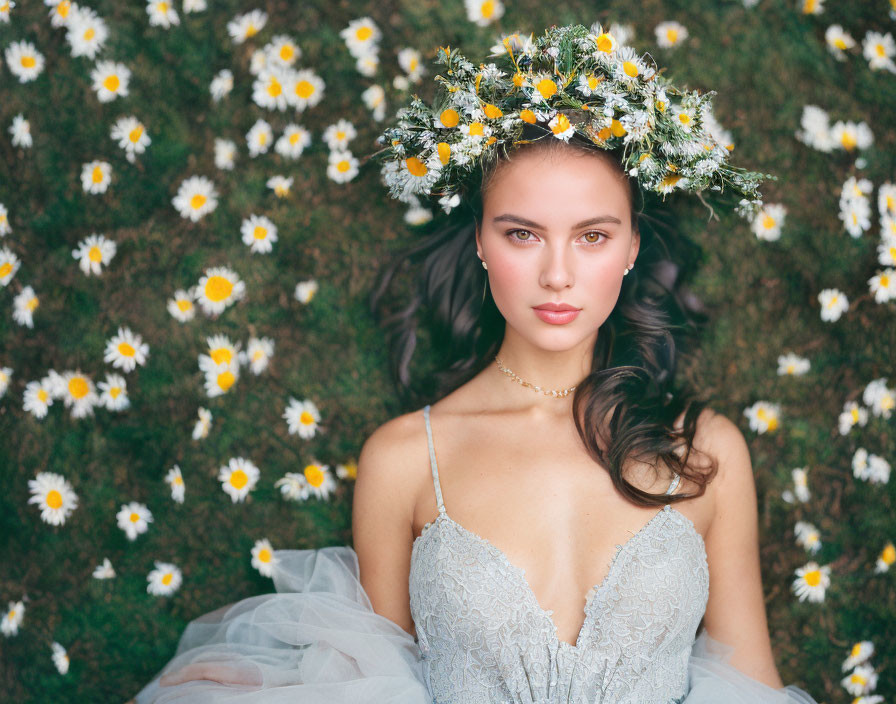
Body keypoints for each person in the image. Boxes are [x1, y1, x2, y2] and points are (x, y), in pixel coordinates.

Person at [130, 23, 820, 704]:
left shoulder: (704, 452)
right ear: (482, 243)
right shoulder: (404, 458)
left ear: (633, 247)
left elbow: (749, 682)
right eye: (522, 234)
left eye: (592, 237)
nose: (557, 275)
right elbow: (374, 683)